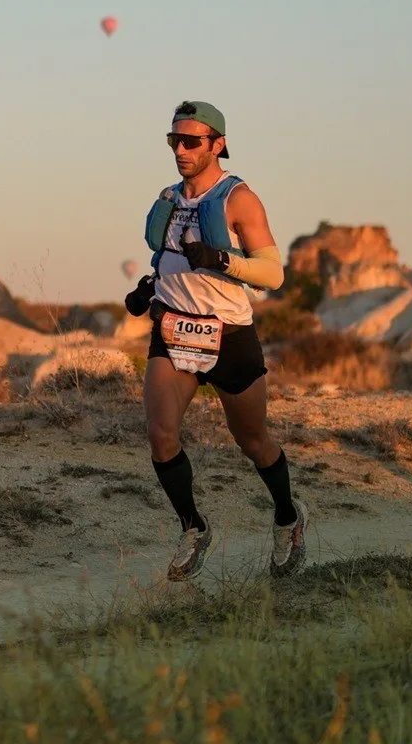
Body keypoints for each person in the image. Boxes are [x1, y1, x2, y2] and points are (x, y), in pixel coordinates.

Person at [124, 100, 307, 581]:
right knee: (161, 436)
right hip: (172, 330)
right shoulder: (167, 197)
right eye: (174, 141)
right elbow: (168, 256)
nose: (180, 150)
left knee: (253, 441)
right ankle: (193, 528)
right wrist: (149, 288)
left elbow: (273, 273)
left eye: (191, 141)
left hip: (228, 334)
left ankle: (288, 517)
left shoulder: (238, 199)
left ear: (217, 144)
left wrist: (222, 260)